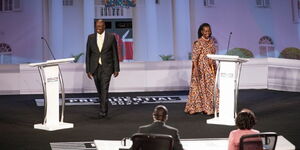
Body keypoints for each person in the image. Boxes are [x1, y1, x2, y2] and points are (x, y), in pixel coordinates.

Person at [86, 19, 120, 119]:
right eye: (97, 27)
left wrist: (116, 68)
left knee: (104, 89)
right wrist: (88, 70)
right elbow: (88, 54)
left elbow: (115, 53)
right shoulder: (90, 37)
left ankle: (103, 111)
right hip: (95, 67)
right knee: (99, 90)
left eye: (100, 27)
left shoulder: (111, 37)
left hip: (107, 67)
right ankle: (103, 104)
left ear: (104, 26)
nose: (98, 28)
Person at [184, 23, 218, 115]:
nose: (207, 32)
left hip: (210, 68)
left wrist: (214, 64)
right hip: (201, 69)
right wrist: (195, 69)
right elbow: (194, 57)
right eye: (205, 31)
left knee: (210, 88)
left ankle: (211, 107)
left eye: (209, 30)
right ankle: (202, 108)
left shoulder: (211, 41)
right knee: (201, 87)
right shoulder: (198, 42)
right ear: (202, 32)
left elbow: (213, 53)